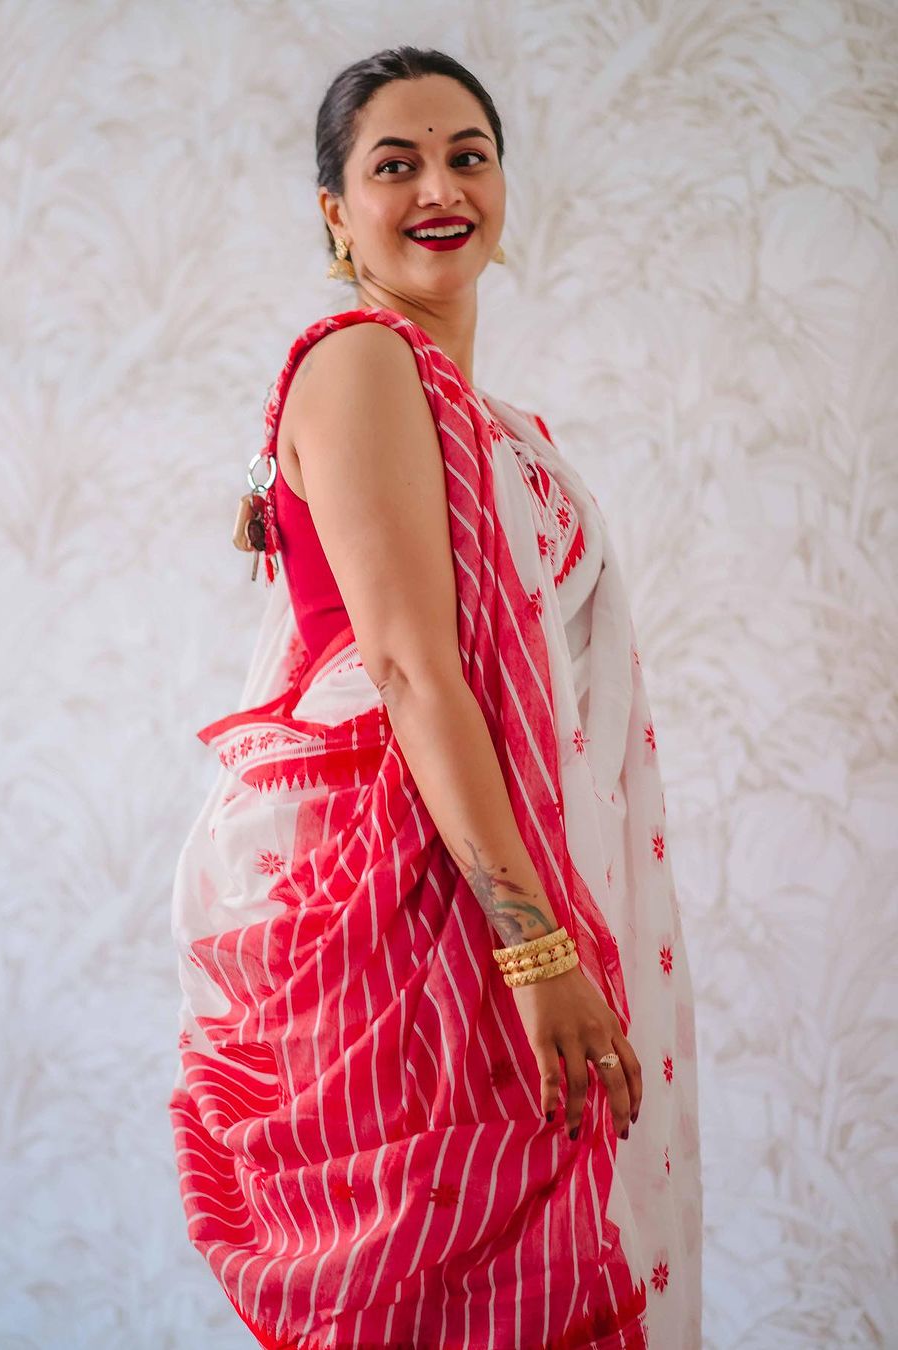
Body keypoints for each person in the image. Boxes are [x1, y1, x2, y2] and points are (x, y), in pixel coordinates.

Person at [168, 45, 702, 1350]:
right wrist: (535, 948)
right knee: (438, 1287)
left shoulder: (505, 424)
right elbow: (409, 671)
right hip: (407, 927)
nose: (438, 186)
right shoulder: (359, 363)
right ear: (334, 211)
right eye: (391, 164)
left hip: (498, 884)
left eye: (468, 154)